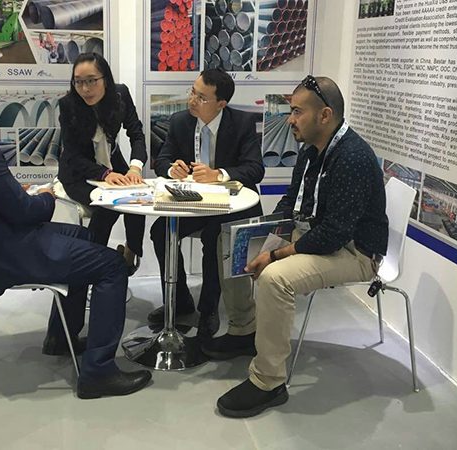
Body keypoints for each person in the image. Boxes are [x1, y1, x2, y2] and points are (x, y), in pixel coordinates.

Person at [0, 58, 151, 399]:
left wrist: (13, 196)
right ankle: (98, 373)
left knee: (86, 238)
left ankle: (60, 338)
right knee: (111, 265)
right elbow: (25, 213)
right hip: (9, 251)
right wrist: (47, 197)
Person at [203, 76, 389, 418]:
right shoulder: (311, 150)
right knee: (229, 240)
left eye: (297, 112)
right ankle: (244, 329)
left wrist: (275, 254)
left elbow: (334, 234)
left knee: (275, 278)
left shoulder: (353, 158)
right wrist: (264, 233)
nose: (290, 119)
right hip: (313, 233)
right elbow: (292, 203)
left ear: (324, 115)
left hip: (355, 251)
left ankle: (268, 382)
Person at [151, 68, 265, 336]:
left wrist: (219, 175)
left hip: (229, 206)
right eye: (193, 92)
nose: (192, 100)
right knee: (160, 232)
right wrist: (172, 169)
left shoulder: (242, 123)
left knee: (214, 237)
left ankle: (208, 309)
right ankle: (179, 301)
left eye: (201, 98)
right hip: (192, 202)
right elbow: (162, 160)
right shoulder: (180, 121)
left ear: (220, 104)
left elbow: (255, 169)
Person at [58, 53, 146, 275]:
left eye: (91, 80)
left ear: (105, 78)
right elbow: (73, 155)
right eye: (79, 82)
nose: (85, 89)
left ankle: (130, 254)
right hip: (78, 172)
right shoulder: (68, 105)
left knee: (139, 196)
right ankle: (93, 264)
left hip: (111, 161)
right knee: (107, 206)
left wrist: (135, 167)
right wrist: (105, 174)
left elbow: (136, 134)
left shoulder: (120, 94)